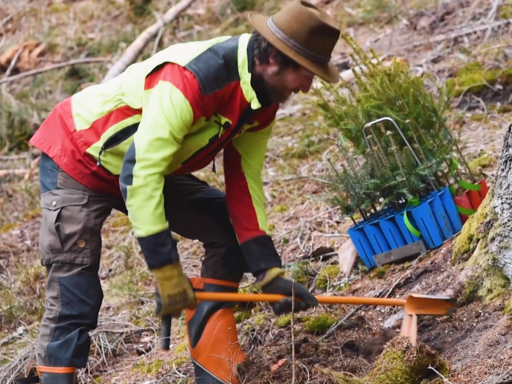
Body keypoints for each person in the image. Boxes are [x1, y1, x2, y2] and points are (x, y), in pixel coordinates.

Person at [21, 1, 340, 383]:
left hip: (147, 163)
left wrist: (267, 270)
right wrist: (167, 271)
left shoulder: (262, 100)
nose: (307, 88)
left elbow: (245, 179)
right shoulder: (193, 78)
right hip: (79, 156)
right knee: (76, 284)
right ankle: (55, 378)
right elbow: (139, 174)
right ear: (272, 58)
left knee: (226, 227)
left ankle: (214, 366)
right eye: (306, 74)